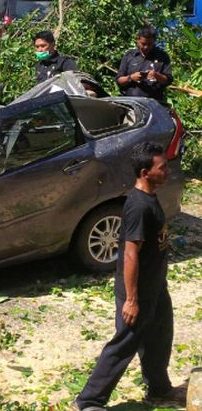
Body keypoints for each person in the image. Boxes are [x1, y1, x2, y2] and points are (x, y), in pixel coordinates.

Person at [73, 142, 186, 410]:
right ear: (145, 172)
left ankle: (159, 389)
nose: (167, 171)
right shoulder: (137, 206)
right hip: (137, 291)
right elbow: (130, 254)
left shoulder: (150, 197)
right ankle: (88, 400)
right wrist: (131, 299)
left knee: (160, 337)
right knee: (124, 344)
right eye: (162, 168)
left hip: (155, 286)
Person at [116, 26, 172, 104]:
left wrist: (156, 75)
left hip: (154, 104)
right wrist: (131, 78)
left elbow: (168, 80)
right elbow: (119, 80)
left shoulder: (162, 56)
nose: (146, 47)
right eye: (143, 44)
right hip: (130, 103)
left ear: (154, 41)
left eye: (150, 44)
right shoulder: (129, 55)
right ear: (137, 40)